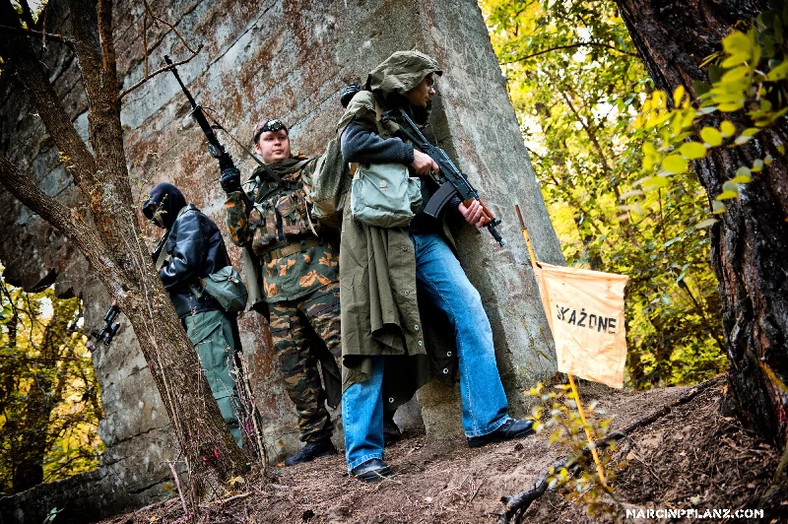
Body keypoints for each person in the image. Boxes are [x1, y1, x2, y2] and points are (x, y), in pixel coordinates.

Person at [337, 50, 535, 482]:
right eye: (427, 81)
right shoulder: (367, 103)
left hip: (422, 238)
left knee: (470, 309)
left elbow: (423, 190)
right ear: (406, 79)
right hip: (377, 242)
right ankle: (364, 454)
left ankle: (487, 420)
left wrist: (463, 205)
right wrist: (408, 155)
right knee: (369, 337)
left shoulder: (416, 126)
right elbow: (351, 145)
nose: (432, 90)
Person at [220, 119, 401, 466]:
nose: (277, 144)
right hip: (277, 292)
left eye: (282, 138)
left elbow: (328, 203)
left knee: (348, 353)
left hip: (320, 278)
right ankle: (317, 438)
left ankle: (378, 422)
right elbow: (241, 237)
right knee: (295, 369)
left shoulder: (309, 171)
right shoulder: (251, 191)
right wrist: (232, 194)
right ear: (257, 149)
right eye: (269, 140)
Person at [142, 182, 243, 447]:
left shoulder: (188, 219)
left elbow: (185, 264)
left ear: (169, 201)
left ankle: (246, 459)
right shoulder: (178, 227)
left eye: (157, 207)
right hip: (197, 315)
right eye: (150, 211)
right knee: (216, 385)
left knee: (221, 387)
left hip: (204, 314)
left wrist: (151, 282)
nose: (156, 216)